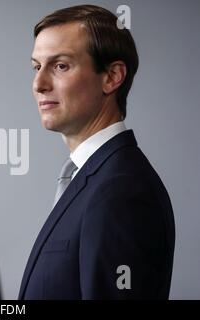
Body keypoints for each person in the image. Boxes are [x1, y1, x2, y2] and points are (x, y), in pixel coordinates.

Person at [19, 5, 175, 299]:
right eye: (36, 67)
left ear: (112, 77)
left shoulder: (122, 191)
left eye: (60, 66)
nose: (39, 84)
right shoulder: (96, 178)